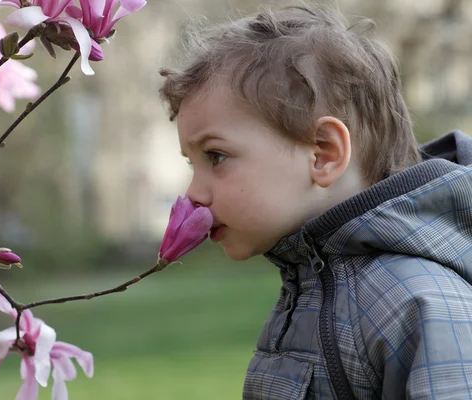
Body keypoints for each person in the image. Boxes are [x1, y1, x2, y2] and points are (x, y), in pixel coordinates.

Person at [159, 3, 472, 399]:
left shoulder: (413, 300)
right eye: (192, 163)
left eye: (215, 157)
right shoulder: (311, 282)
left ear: (323, 153)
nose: (193, 194)